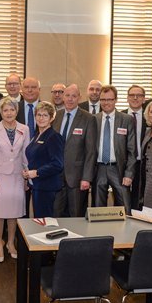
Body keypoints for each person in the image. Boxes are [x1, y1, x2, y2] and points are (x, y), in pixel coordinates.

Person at [0, 97, 30, 262]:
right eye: (5, 110)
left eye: (12, 110)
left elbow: (26, 154)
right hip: (0, 177)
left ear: (16, 111)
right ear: (1, 112)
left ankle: (11, 243)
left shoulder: (24, 129)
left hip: (18, 176)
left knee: (14, 213)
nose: (9, 113)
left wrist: (27, 176)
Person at [52, 84, 96, 217]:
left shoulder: (88, 118)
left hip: (77, 177)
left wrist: (86, 178)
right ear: (62, 97)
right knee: (56, 213)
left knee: (76, 214)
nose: (70, 99)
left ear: (79, 98)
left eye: (74, 96)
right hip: (57, 176)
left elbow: (91, 151)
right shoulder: (56, 116)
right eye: (67, 95)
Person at [93, 85, 137, 212]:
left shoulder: (126, 119)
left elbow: (132, 150)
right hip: (99, 168)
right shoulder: (93, 119)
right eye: (103, 100)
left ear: (116, 100)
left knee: (124, 207)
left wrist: (129, 174)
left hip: (119, 169)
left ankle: (124, 232)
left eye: (110, 99)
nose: (106, 103)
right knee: (97, 209)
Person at [23, 102, 64, 218]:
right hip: (37, 185)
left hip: (47, 187)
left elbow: (57, 164)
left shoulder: (53, 137)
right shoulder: (36, 135)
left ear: (51, 118)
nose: (41, 118)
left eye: (45, 115)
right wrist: (27, 172)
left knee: (45, 223)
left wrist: (36, 172)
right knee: (39, 221)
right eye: (39, 115)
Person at [124, 85, 147, 210]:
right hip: (124, 163)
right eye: (132, 95)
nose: (135, 98)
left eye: (139, 95)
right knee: (122, 196)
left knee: (139, 197)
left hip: (143, 163)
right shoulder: (119, 116)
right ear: (127, 98)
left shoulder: (150, 117)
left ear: (144, 99)